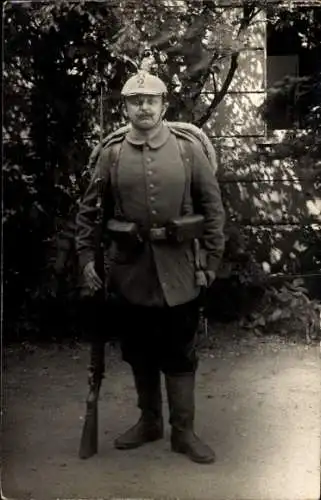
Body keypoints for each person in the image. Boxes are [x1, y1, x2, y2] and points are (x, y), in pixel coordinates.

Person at [75, 70, 226, 464]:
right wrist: (86, 259)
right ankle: (150, 422)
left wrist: (210, 260)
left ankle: (184, 432)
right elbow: (89, 214)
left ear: (163, 106)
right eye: (135, 100)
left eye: (151, 100)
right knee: (139, 350)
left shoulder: (187, 149)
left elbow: (213, 210)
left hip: (180, 270)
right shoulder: (111, 154)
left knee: (180, 351)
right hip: (130, 272)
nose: (144, 106)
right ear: (125, 106)